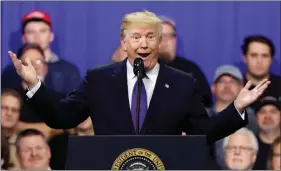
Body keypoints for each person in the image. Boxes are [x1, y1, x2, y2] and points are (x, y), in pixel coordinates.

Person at [8, 10, 270, 145]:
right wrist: (34, 84)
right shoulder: (99, 80)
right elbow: (62, 117)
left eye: (150, 37)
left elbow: (202, 133)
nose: (143, 43)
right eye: (136, 37)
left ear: (160, 43)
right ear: (124, 42)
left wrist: (236, 107)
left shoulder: (182, 82)